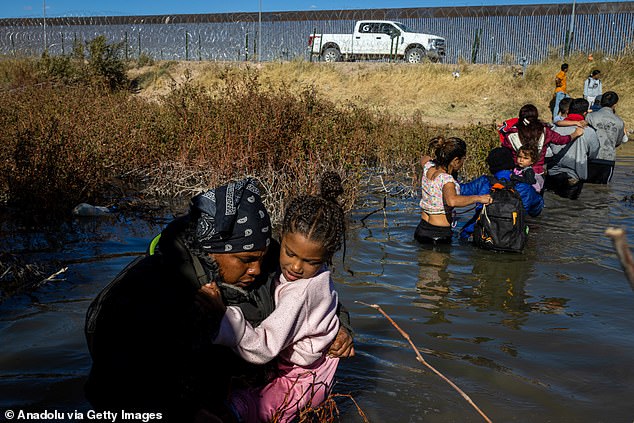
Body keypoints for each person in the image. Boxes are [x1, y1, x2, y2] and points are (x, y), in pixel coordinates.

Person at [84, 178, 354, 422]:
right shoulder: (150, 291)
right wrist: (185, 412)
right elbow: (109, 386)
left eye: (262, 257)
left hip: (240, 395)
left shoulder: (266, 252)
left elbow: (316, 294)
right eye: (246, 261)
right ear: (213, 251)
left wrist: (340, 327)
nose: (257, 270)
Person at [199, 172, 346, 423]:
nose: (296, 267)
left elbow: (264, 346)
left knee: (247, 409)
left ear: (325, 259)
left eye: (310, 262)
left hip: (302, 377)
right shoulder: (308, 271)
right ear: (281, 236)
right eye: (290, 254)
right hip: (307, 365)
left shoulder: (299, 293)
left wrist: (223, 313)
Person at [415, 136, 492, 244]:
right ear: (455, 160)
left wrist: (436, 159)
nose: (462, 163)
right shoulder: (447, 180)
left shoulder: (428, 167)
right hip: (438, 234)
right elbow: (452, 201)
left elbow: (424, 158)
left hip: (421, 229)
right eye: (463, 159)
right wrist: (479, 198)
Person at [459, 147, 543, 240]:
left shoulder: (484, 181)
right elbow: (537, 208)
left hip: (478, 233)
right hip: (510, 238)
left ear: (491, 166)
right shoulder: (525, 187)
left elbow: (460, 190)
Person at [500, 104, 584, 190]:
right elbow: (561, 140)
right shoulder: (544, 131)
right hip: (537, 173)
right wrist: (575, 134)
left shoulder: (511, 134)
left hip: (517, 173)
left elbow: (504, 151)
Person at [547, 98, 601, 198]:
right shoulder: (589, 132)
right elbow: (593, 154)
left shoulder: (554, 128)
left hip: (553, 175)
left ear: (568, 111)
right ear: (585, 113)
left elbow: (547, 152)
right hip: (574, 177)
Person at [585, 91, 629, 183]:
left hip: (590, 158)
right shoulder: (619, 122)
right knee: (603, 189)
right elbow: (617, 142)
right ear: (615, 104)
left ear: (601, 102)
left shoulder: (590, 117)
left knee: (586, 187)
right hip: (608, 159)